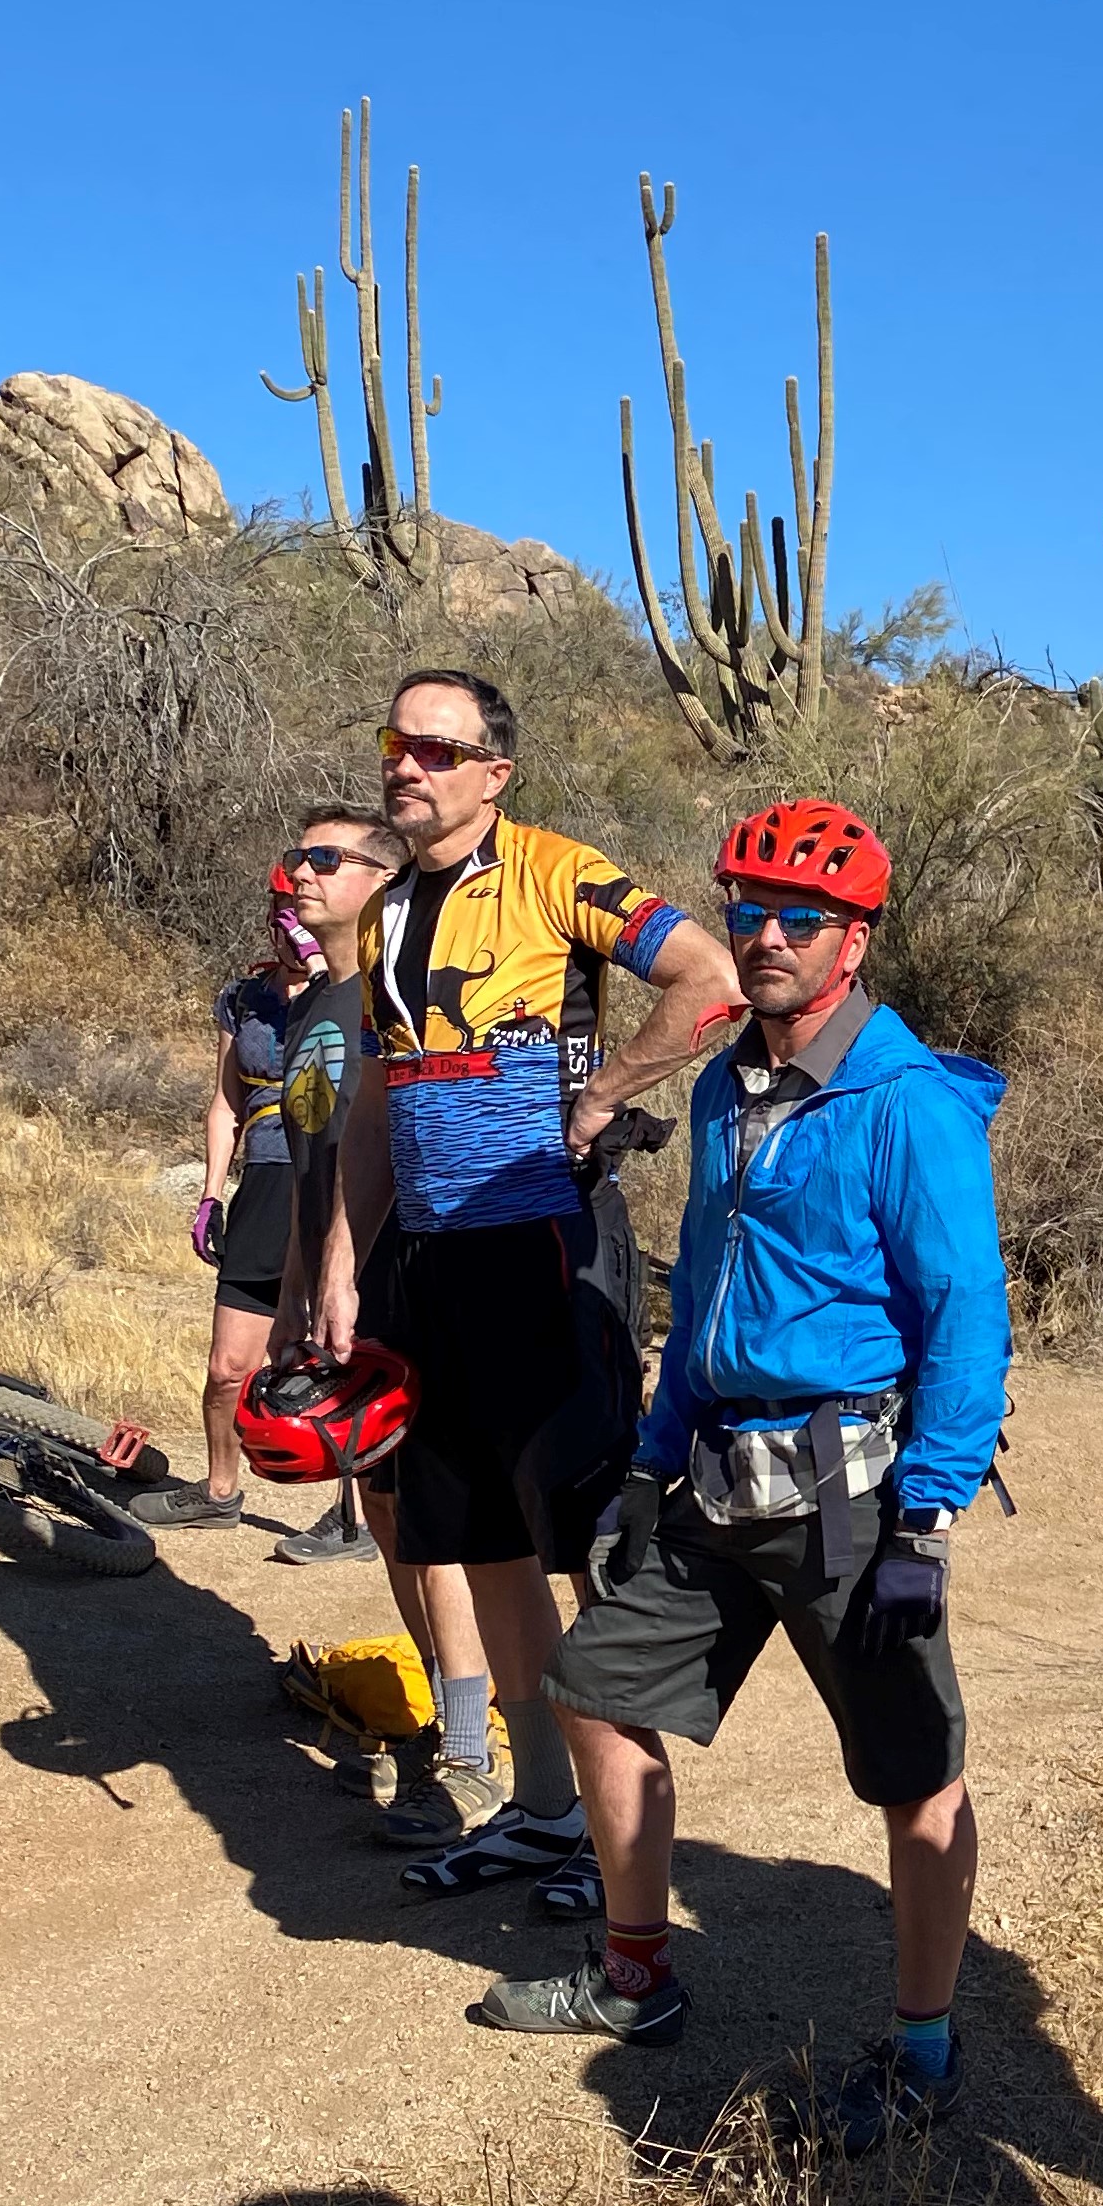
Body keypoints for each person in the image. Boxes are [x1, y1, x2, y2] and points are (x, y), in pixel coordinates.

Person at [472, 799, 1012, 2156]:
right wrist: (652, 1461)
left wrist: (924, 1523)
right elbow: (707, 1280)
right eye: (748, 909)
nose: (766, 936)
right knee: (595, 1694)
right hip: (713, 1474)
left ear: (855, 939)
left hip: (851, 1500)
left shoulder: (906, 1104)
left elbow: (964, 1320)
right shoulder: (718, 1083)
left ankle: (924, 2046)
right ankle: (636, 1970)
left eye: (800, 917)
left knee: (913, 1778)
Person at [315, 668, 741, 1899]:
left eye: (437, 748)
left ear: (493, 773)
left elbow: (706, 974)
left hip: (546, 1243)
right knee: (482, 1540)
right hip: (432, 1258)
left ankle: (627, 1860)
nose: (408, 764)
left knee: (582, 1542)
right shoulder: (387, 913)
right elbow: (370, 1111)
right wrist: (345, 1262)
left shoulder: (557, 871)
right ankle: (546, 1811)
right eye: (396, 741)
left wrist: (604, 1093)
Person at [262, 799, 504, 1835]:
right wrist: (290, 1298)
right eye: (296, 857)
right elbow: (313, 1176)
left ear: (381, 876)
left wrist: (364, 1281)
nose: (299, 874)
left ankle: (472, 1755)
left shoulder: (396, 999)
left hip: (400, 1290)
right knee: (394, 1518)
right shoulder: (319, 1006)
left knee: (435, 1518)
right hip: (332, 1293)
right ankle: (451, 1729)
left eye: (325, 857)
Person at [129, 871, 317, 1529]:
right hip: (264, 1181)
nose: (299, 923)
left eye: (309, 909)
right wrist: (211, 1194)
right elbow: (226, 1102)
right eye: (288, 909)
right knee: (228, 1365)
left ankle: (354, 1513)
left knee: (329, 1357)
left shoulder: (353, 993)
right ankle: (217, 1491)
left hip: (329, 1182)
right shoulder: (243, 999)